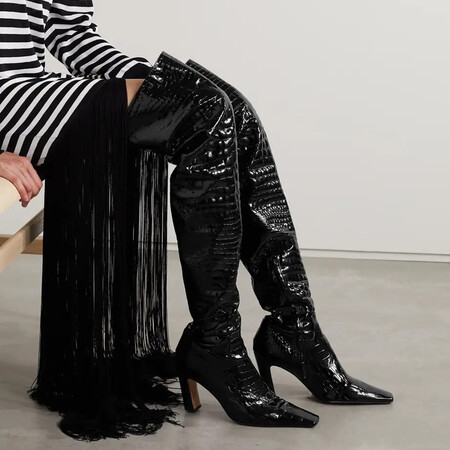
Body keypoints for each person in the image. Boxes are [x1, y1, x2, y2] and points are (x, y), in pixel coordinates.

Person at [0, 0, 394, 442]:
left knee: (228, 107)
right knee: (205, 110)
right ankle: (218, 342)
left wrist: (149, 77)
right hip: (6, 103)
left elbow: (69, 31)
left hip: (35, 90)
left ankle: (294, 328)